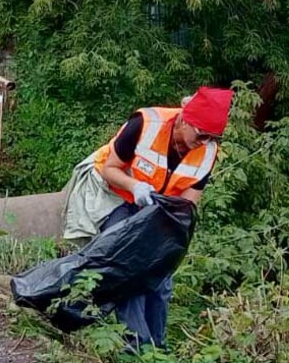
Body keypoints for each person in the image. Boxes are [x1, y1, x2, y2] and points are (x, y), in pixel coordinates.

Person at [77, 86, 233, 349]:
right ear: (185, 119)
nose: (204, 140)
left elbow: (188, 203)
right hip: (116, 193)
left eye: (211, 137)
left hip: (158, 209)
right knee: (127, 262)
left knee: (159, 275)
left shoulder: (207, 151)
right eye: (201, 133)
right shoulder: (145, 124)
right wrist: (135, 187)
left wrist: (166, 235)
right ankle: (135, 344)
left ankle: (156, 349)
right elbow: (110, 169)